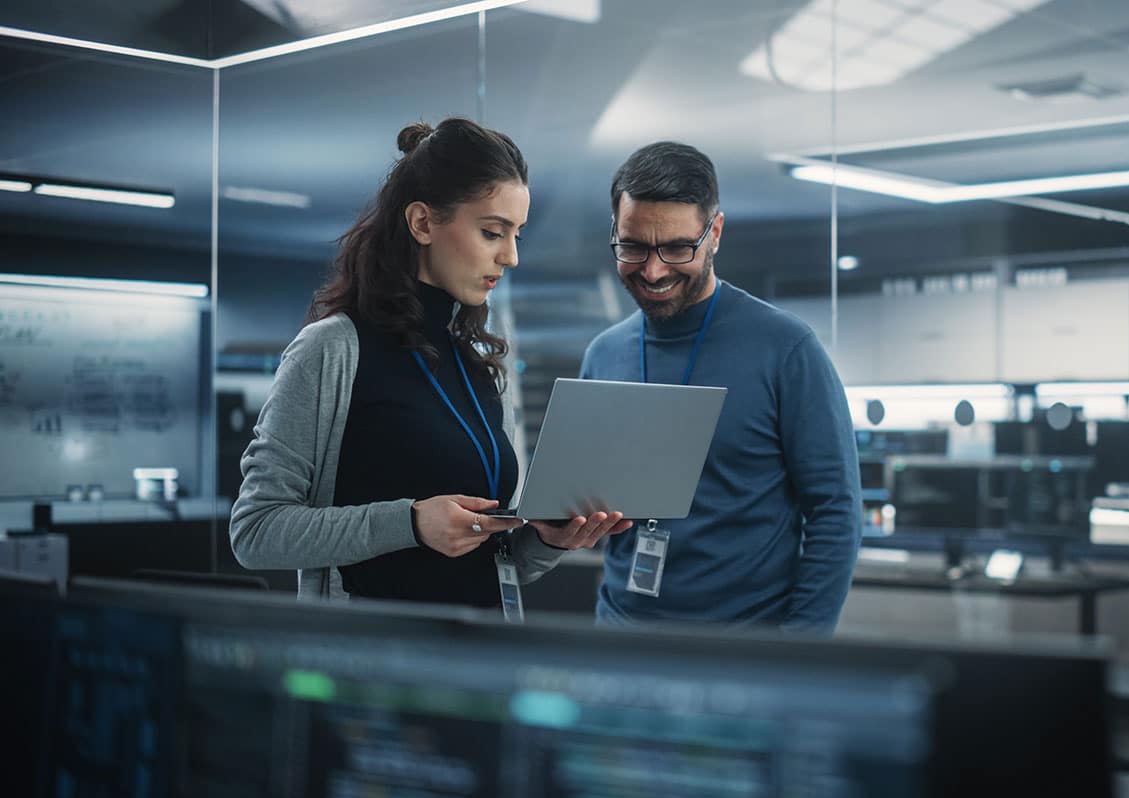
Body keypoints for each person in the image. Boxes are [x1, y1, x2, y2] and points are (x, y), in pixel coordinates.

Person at [230, 117, 630, 604]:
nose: (511, 257)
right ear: (422, 223)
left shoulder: (476, 362)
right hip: (372, 665)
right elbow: (255, 531)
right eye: (492, 232)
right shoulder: (332, 349)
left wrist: (548, 540)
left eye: (517, 235)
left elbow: (496, 563)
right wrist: (412, 523)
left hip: (479, 662)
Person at [580, 141, 862, 632]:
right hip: (622, 637)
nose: (652, 270)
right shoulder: (603, 355)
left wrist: (799, 647)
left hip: (745, 646)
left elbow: (835, 511)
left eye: (676, 248)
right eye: (633, 247)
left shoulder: (787, 349)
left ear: (715, 234)